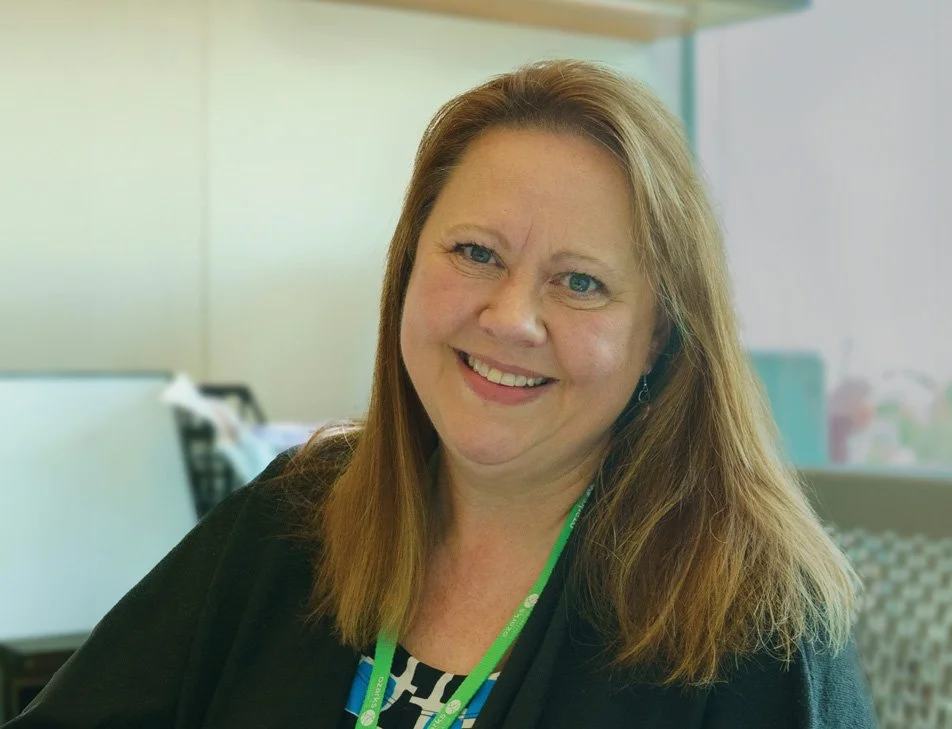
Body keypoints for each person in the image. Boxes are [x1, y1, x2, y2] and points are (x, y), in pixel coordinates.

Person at [5, 60, 878, 729]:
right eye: (475, 253)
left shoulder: (755, 621)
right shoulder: (294, 517)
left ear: (658, 334)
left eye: (578, 282)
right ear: (408, 267)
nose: (510, 317)